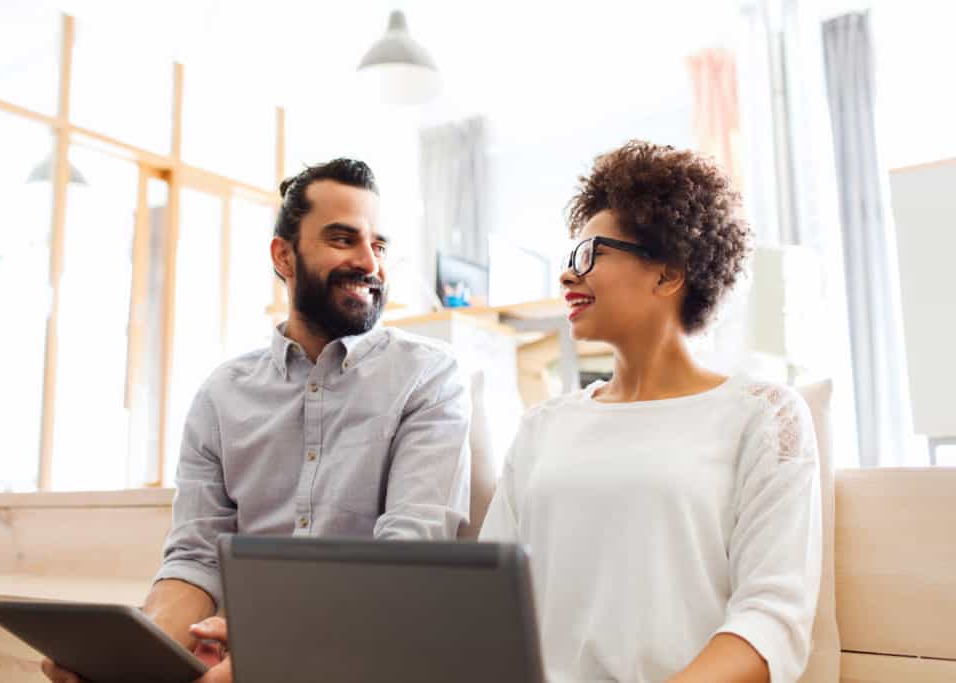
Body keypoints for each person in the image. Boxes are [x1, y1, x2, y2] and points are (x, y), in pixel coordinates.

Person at [43, 158, 471, 683]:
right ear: (283, 256)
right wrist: (135, 653)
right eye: (343, 240)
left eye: (378, 246)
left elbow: (408, 557)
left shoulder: (427, 376)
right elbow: (196, 559)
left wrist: (275, 652)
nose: (370, 263)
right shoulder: (221, 395)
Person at [480, 140, 821, 683]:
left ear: (667, 274)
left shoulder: (763, 415)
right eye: (571, 259)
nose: (568, 276)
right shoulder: (543, 427)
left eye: (592, 255)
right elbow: (487, 606)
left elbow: (772, 621)